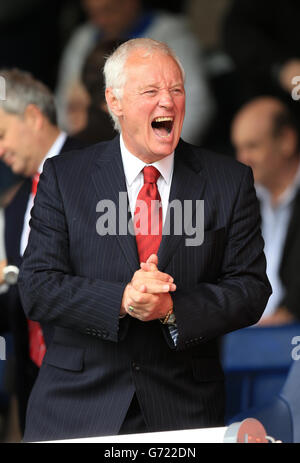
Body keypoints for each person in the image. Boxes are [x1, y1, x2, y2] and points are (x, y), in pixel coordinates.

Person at [19, 38, 271, 442]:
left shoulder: (229, 181)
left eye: (176, 90)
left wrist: (173, 308)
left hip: (184, 410)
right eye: (150, 92)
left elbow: (251, 289)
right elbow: (36, 286)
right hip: (75, 407)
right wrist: (122, 299)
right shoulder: (64, 177)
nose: (167, 103)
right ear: (113, 101)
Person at [0, 68, 83, 436]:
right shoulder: (16, 203)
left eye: (1, 134)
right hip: (40, 389)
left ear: (33, 116)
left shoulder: (95, 166)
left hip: (93, 383)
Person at [55, 0, 215, 144]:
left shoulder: (171, 34)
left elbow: (195, 106)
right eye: (93, 13)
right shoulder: (83, 40)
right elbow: (63, 107)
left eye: (109, 10)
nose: (101, 20)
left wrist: (158, 157)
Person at [231, 96, 300, 325]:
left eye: (252, 146)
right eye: (239, 148)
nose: (243, 159)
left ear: (287, 141)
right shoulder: (244, 204)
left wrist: (287, 315)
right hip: (247, 342)